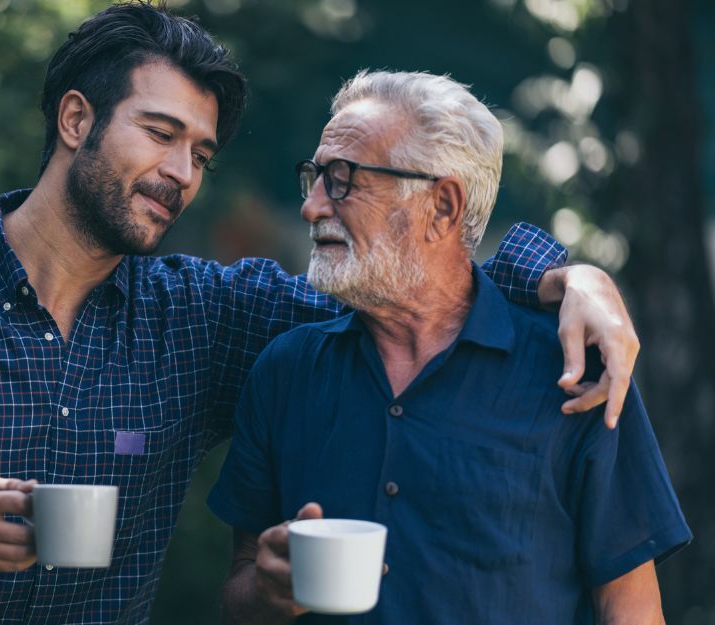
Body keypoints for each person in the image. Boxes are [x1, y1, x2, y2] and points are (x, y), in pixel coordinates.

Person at [0, 4, 640, 624]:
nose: (183, 173)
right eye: (161, 133)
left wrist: (568, 276)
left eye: (203, 152)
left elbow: (408, 282)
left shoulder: (202, 319)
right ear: (74, 119)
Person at [208, 70, 690, 625]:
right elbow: (240, 590)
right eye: (314, 178)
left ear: (441, 207)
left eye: (342, 180)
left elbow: (629, 610)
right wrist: (268, 593)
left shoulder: (577, 371)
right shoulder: (286, 370)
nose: (312, 207)